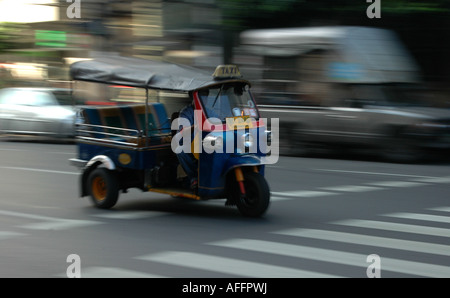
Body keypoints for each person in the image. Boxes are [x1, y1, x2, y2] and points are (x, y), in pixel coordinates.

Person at [175, 101, 198, 190]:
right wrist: (195, 126)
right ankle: (194, 178)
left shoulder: (207, 110)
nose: (205, 97)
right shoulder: (186, 112)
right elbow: (183, 131)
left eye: (206, 94)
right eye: (202, 94)